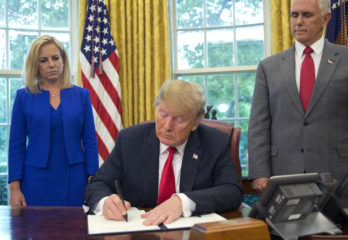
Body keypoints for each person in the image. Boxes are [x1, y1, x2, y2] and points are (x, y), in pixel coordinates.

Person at [248, 0, 348, 195]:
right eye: (294, 15)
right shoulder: (268, 67)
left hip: (340, 178)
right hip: (285, 177)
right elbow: (258, 126)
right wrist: (259, 172)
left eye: (307, 15)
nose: (298, 22)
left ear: (325, 19)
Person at [84, 79, 243, 225]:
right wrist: (104, 202)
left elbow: (232, 191)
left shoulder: (214, 142)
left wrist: (182, 202)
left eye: (178, 119)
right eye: (163, 114)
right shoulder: (130, 140)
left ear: (195, 122)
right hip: (140, 232)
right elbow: (97, 184)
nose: (167, 125)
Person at [8, 35, 99, 206]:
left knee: (75, 230)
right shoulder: (24, 97)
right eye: (43, 60)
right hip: (35, 180)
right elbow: (16, 145)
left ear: (63, 60)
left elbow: (90, 141)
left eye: (55, 58)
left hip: (75, 178)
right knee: (38, 231)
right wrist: (14, 189)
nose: (51, 64)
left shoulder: (82, 95)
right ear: (36, 65)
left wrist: (93, 180)